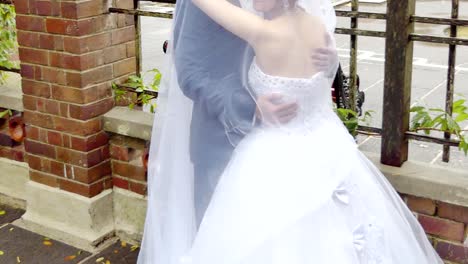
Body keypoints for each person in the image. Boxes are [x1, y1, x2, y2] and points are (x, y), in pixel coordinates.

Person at [137, 0, 443, 263]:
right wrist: (250, 105)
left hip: (269, 156)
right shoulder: (311, 23)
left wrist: (328, 61)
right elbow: (190, 72)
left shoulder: (265, 31)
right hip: (309, 144)